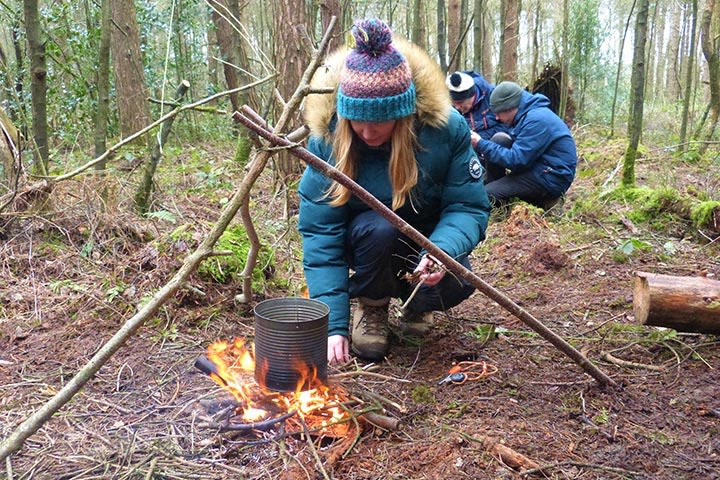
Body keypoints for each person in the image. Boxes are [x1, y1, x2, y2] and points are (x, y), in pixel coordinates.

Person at [298, 19, 491, 365]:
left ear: (404, 114)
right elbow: (320, 234)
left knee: (461, 279)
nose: (368, 132)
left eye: (381, 120)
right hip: (368, 243)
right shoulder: (326, 141)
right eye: (357, 120)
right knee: (379, 229)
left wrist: (442, 252)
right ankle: (372, 306)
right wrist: (333, 324)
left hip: (425, 239)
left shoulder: (444, 131)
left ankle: (419, 303)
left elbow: (468, 206)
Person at [472, 81, 577, 210]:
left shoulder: (536, 119)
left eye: (498, 113)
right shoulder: (528, 114)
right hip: (539, 167)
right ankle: (498, 197)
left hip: (550, 177)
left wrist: (480, 143)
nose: (497, 118)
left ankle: (547, 201)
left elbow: (516, 160)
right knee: (499, 139)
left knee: (486, 194)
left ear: (510, 107)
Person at [446, 71, 510, 146]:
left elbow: (507, 126)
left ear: (472, 95)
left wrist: (479, 139)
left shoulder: (495, 97)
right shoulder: (448, 107)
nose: (457, 107)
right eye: (454, 103)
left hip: (492, 146)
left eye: (460, 103)